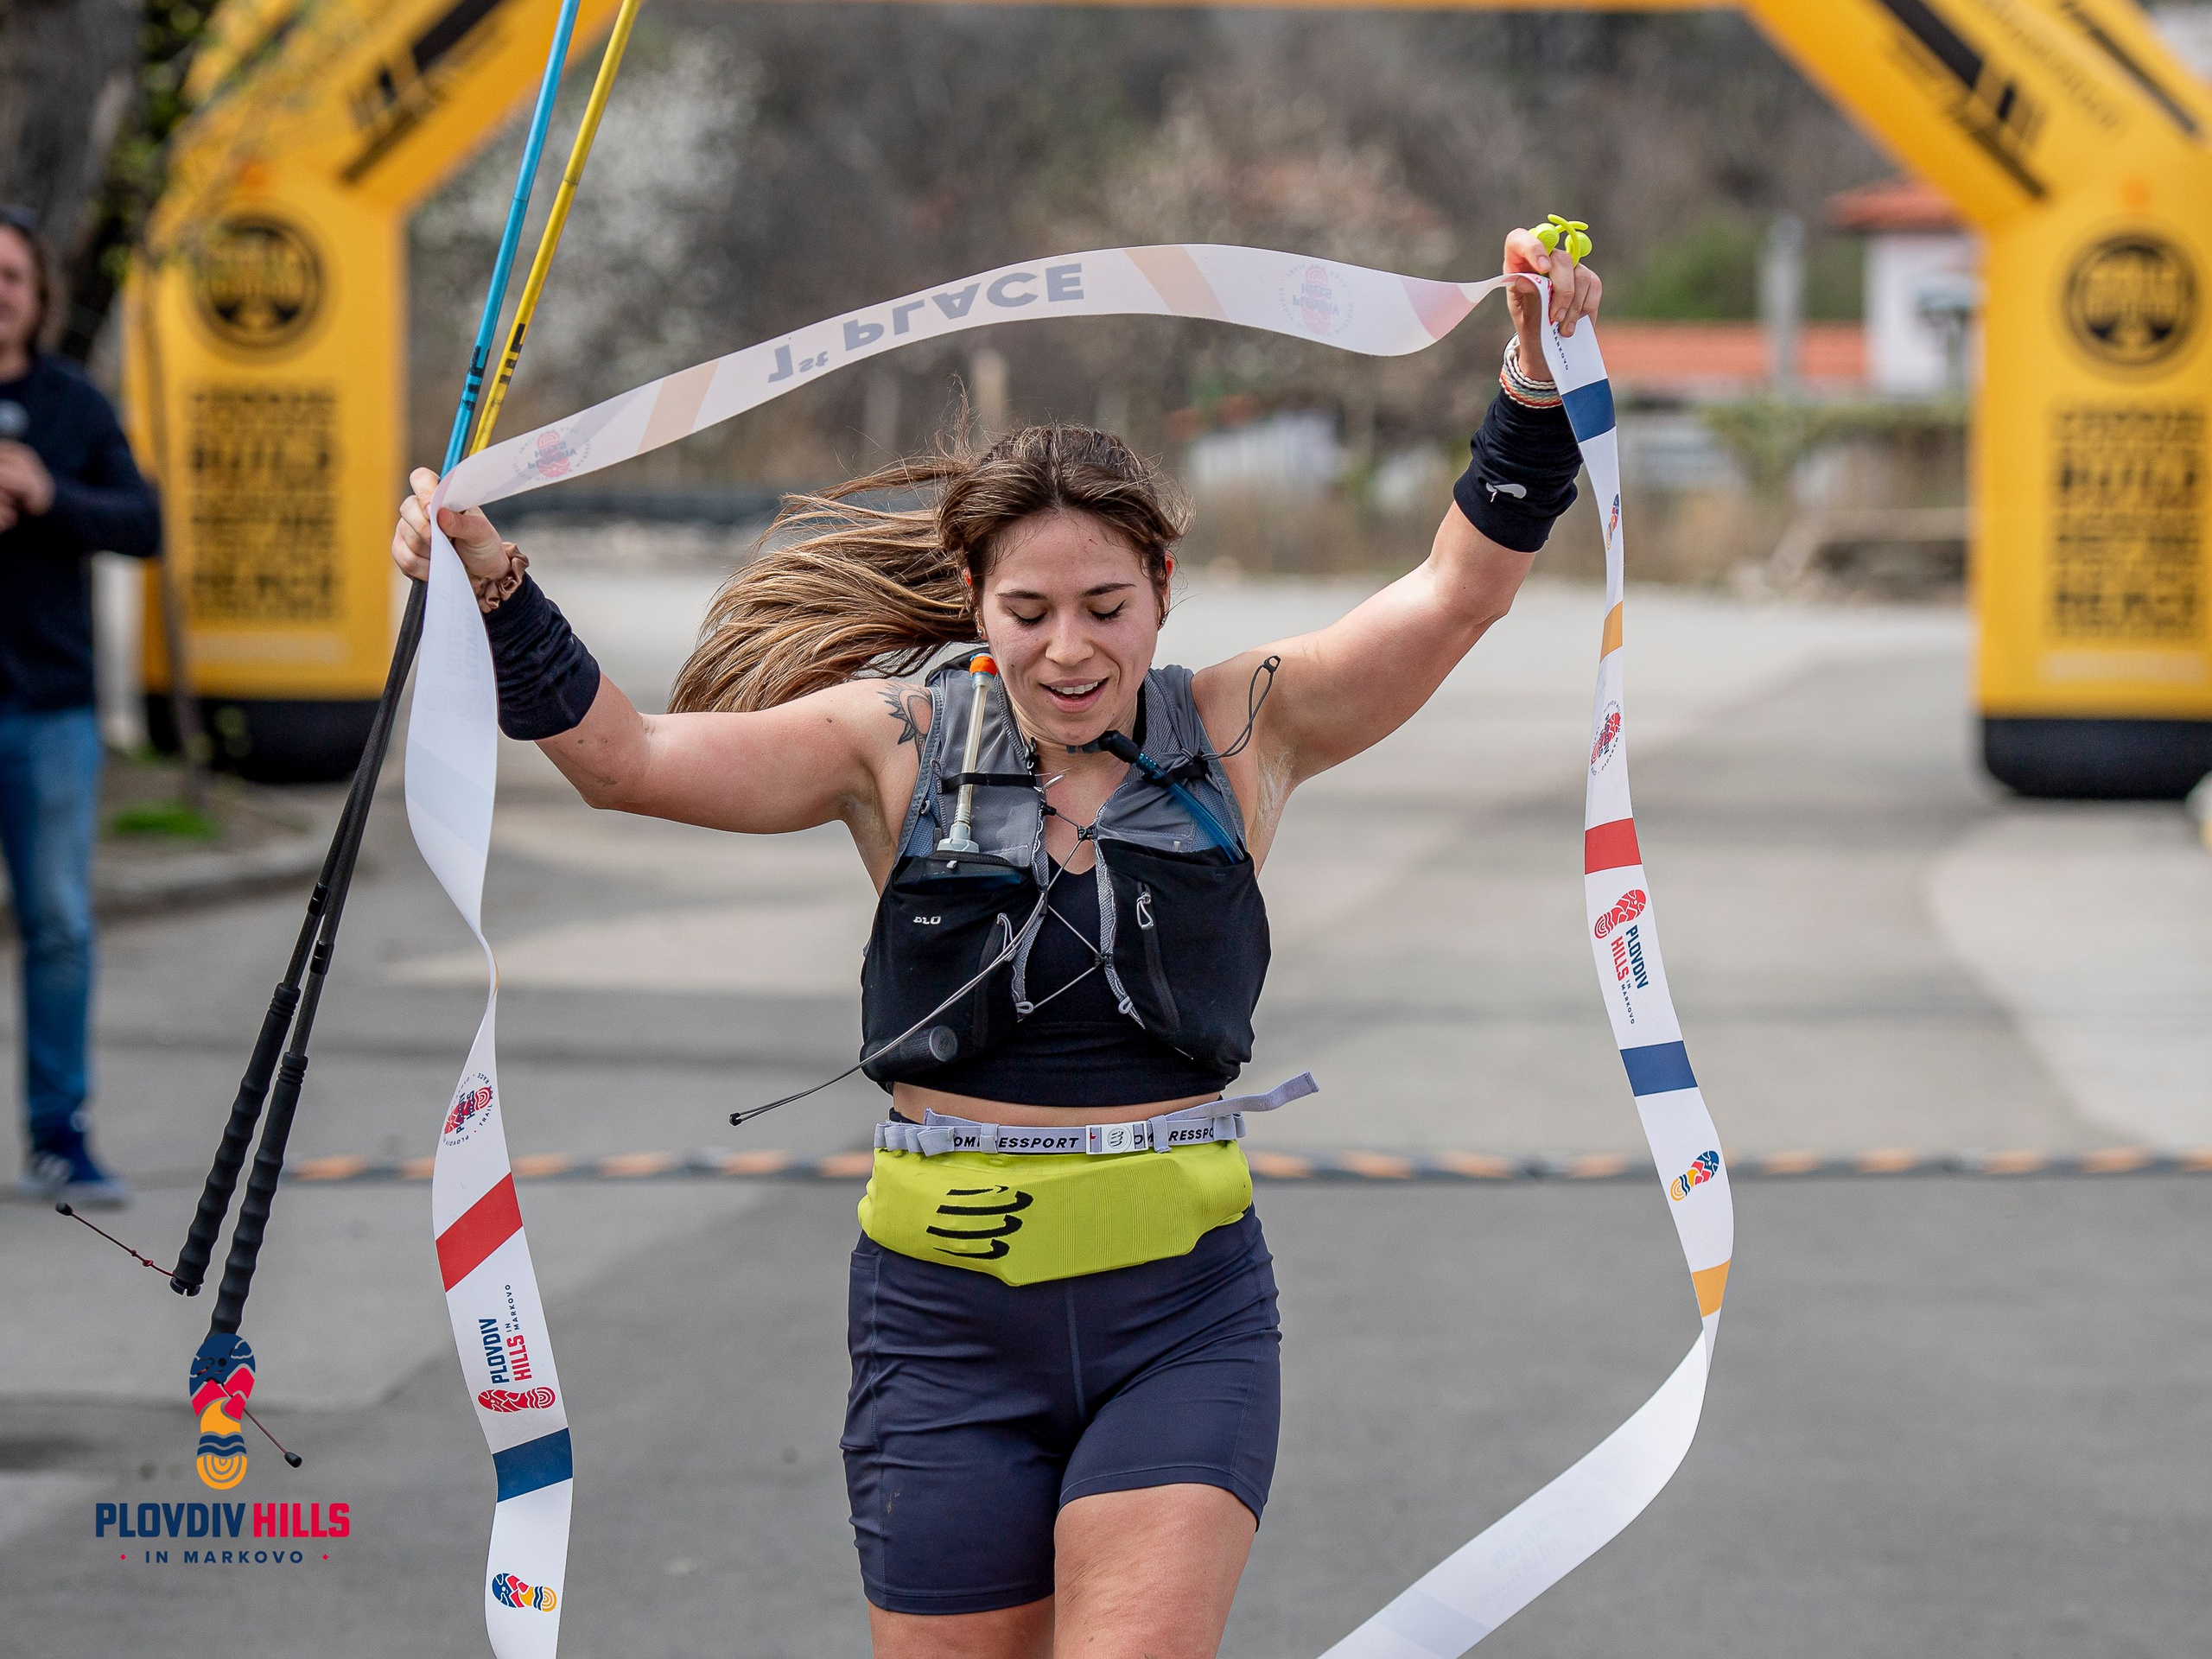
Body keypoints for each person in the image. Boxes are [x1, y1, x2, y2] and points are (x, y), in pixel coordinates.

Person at [393, 226, 1600, 1659]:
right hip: (942, 1334)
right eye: (1027, 614)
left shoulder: (1243, 726)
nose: (1071, 652)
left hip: (1183, 1324)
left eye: (1107, 608)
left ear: (1163, 586)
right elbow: (626, 757)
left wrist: (1534, 379)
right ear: (975, 607)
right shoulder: (890, 745)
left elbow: (1458, 588)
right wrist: (492, 584)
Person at [0, 207, 162, 1207]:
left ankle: (60, 1132)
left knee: (58, 925)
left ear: (39, 297)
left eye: (11, 277)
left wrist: (52, 495)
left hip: (51, 713)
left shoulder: (74, 406)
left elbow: (145, 524)